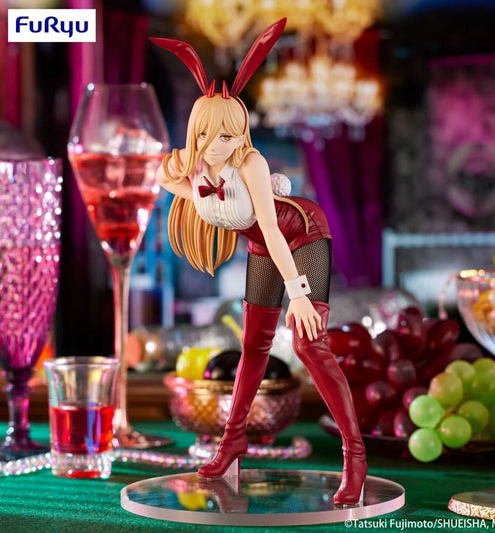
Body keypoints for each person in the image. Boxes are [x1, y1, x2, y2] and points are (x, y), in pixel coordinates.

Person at [151, 18, 366, 506]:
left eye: (230, 134)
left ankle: (355, 457)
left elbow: (271, 228)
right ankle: (232, 443)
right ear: (197, 131)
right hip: (263, 247)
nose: (220, 144)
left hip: (301, 234)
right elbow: (168, 178)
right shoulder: (192, 170)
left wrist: (300, 296)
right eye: (211, 134)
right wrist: (180, 164)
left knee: (310, 345)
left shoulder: (251, 163)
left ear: (242, 132)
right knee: (252, 346)